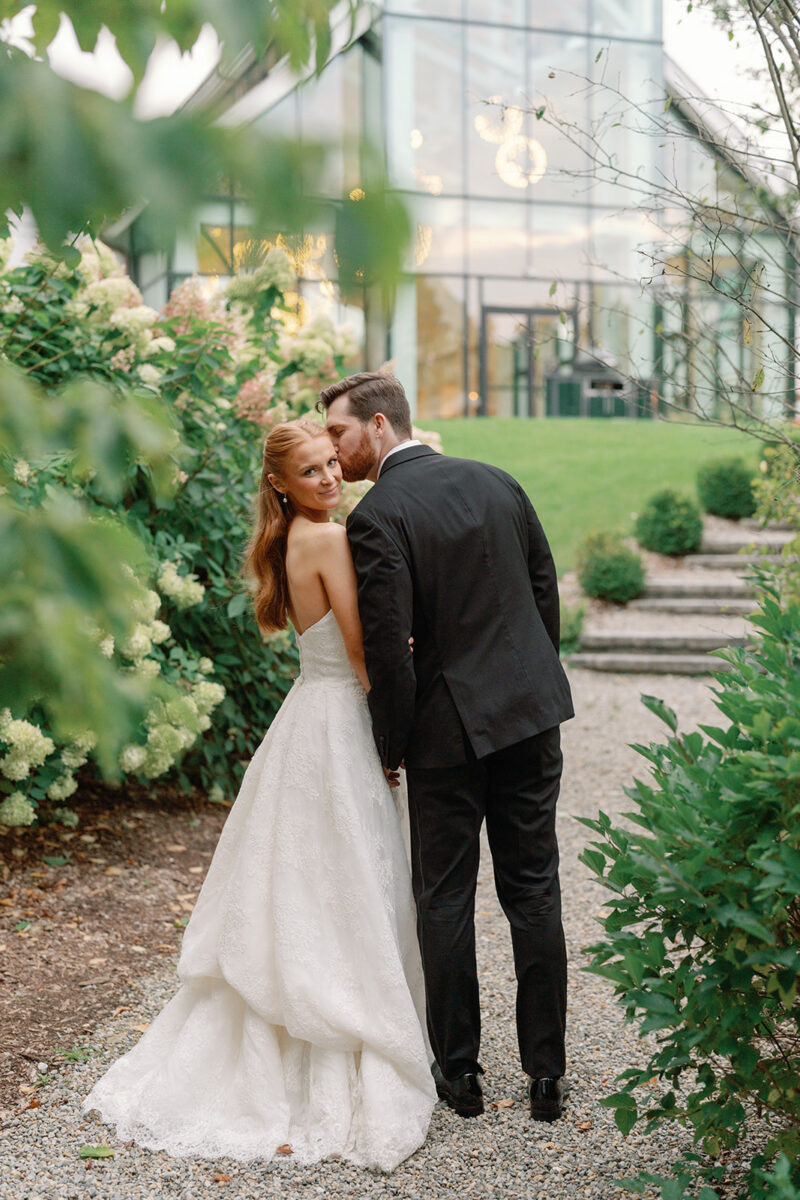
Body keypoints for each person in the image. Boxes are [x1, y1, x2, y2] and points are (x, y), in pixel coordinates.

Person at [82, 419, 436, 1171]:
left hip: (304, 718)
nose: (329, 480)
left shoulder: (285, 539)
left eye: (331, 465)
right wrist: (393, 729)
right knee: (347, 874)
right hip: (338, 720)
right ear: (281, 482)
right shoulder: (330, 539)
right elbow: (358, 647)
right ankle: (343, 1024)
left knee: (302, 876)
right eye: (310, 473)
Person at [320, 372, 575, 1124]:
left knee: (445, 898)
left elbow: (393, 657)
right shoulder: (497, 480)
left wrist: (388, 743)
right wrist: (528, 683)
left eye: (337, 433)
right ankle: (547, 1077)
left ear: (376, 425)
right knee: (534, 890)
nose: (334, 452)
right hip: (530, 717)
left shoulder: (379, 516)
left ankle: (460, 1076)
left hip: (444, 736)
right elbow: (543, 589)